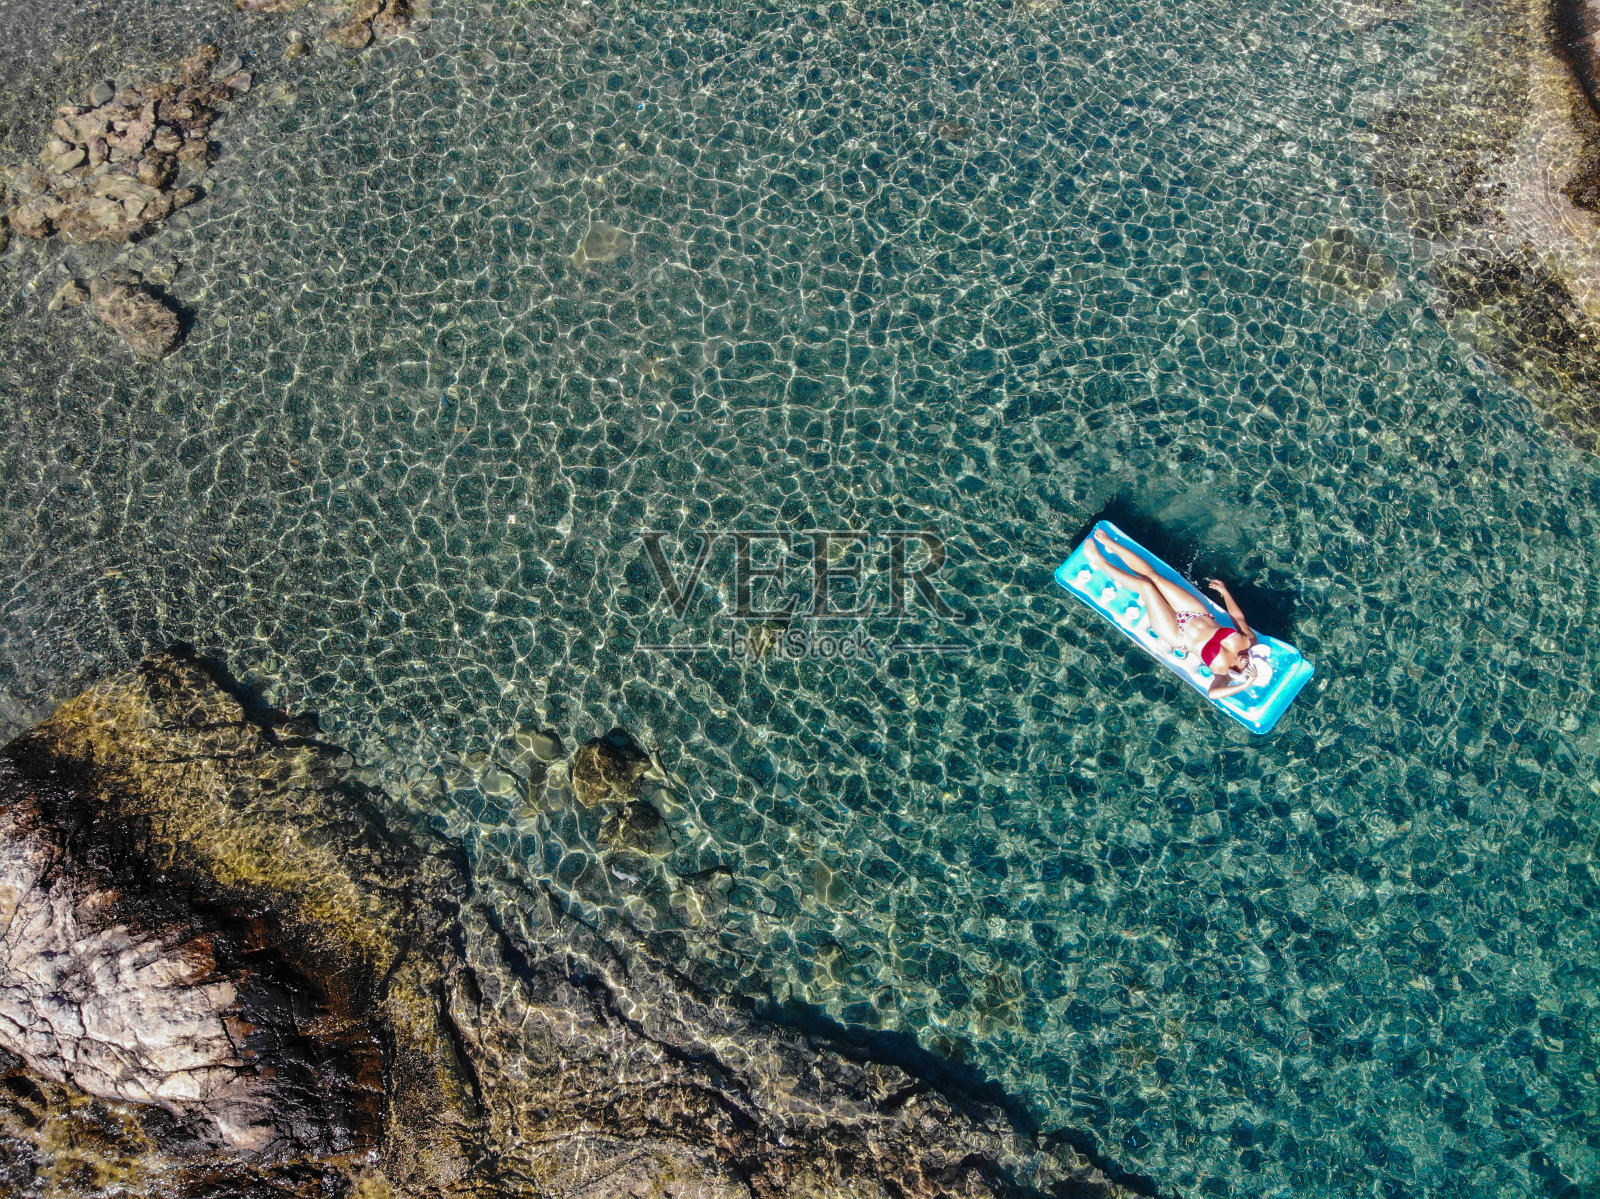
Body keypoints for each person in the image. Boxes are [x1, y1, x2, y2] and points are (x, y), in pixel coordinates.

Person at [1082, 529, 1266, 697]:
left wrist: (1244, 686)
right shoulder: (1250, 641)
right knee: (1154, 577)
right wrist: (1225, 592)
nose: (1247, 659)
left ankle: (1101, 562)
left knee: (1146, 588)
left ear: (1244, 674)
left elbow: (1213, 694)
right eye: (1251, 658)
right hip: (1196, 613)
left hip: (1177, 634)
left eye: (1247, 666)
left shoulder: (1224, 674)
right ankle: (1112, 544)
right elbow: (1239, 618)